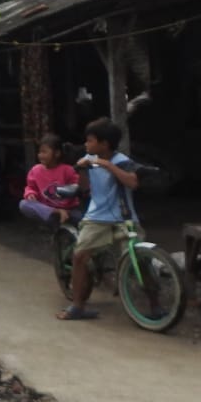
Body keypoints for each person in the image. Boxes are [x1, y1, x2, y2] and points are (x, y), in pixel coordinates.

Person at [57, 117, 138, 321]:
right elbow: (84, 189)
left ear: (104, 144)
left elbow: (132, 183)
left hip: (124, 216)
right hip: (97, 216)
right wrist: (82, 170)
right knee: (80, 256)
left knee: (139, 258)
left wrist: (105, 165)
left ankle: (155, 304)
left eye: (90, 140)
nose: (86, 144)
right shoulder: (88, 160)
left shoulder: (122, 161)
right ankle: (77, 305)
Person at [19, 133, 80, 226]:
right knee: (24, 204)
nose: (40, 155)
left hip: (68, 211)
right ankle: (57, 212)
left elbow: (76, 189)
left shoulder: (67, 170)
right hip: (48, 211)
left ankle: (62, 218)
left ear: (57, 153)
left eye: (44, 152)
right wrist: (31, 194)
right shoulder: (35, 170)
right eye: (39, 152)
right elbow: (30, 187)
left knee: (83, 218)